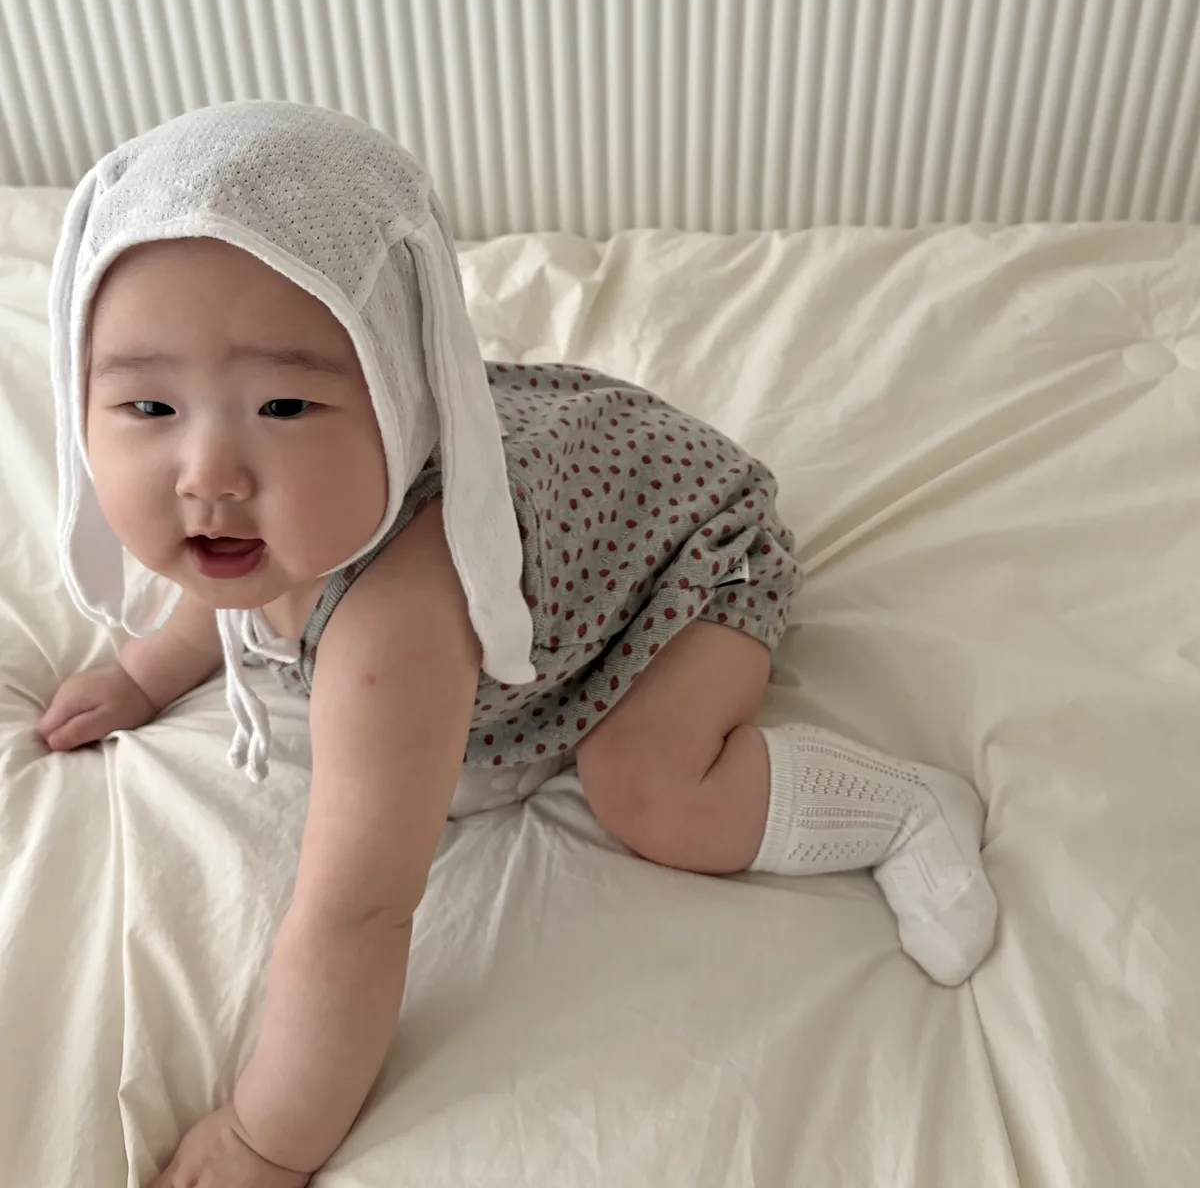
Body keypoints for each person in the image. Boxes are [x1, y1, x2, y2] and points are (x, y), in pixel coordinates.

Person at [36, 101, 998, 1184]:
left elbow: (356, 913)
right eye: (149, 407)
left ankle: (901, 808)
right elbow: (218, 582)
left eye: (287, 405)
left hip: (686, 558)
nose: (209, 475)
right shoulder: (277, 515)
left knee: (649, 790)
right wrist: (142, 672)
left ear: (399, 388)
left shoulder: (396, 622)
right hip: (573, 460)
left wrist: (266, 1135)